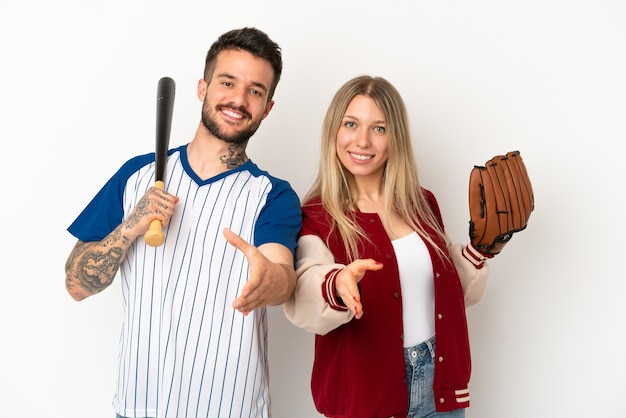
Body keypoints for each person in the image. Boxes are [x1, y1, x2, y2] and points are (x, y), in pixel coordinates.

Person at [65, 27, 302, 418]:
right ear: (202, 88)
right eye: (228, 82)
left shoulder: (272, 195)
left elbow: (281, 277)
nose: (239, 99)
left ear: (267, 107)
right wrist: (131, 227)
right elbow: (75, 284)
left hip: (231, 410)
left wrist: (272, 280)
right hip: (138, 407)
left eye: (255, 91)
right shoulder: (136, 176)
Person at [284, 75, 491, 418]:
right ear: (333, 130)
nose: (363, 140)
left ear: (395, 138)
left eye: (379, 128)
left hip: (440, 391)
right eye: (351, 124)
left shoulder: (422, 203)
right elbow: (306, 290)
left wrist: (482, 248)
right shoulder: (317, 216)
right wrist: (338, 285)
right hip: (368, 399)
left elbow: (451, 292)